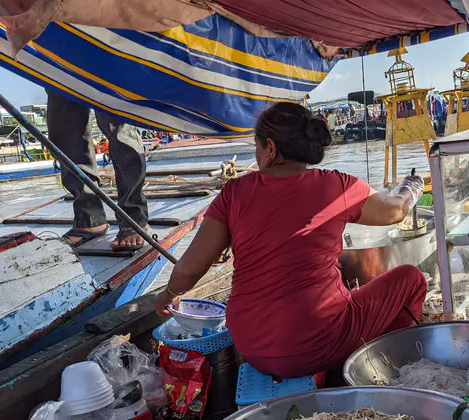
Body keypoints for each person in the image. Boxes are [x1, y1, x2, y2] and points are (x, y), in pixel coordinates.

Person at [154, 102, 427, 378]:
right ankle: (396, 371)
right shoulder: (336, 185)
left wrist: (167, 296)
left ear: (270, 148)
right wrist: (411, 188)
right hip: (320, 345)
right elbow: (396, 211)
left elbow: (189, 270)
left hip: (250, 346)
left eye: (256, 147)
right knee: (411, 278)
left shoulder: (234, 192)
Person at [46, 90, 150, 250]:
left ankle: (134, 216)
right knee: (65, 129)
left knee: (118, 122)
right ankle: (89, 218)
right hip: (59, 65)